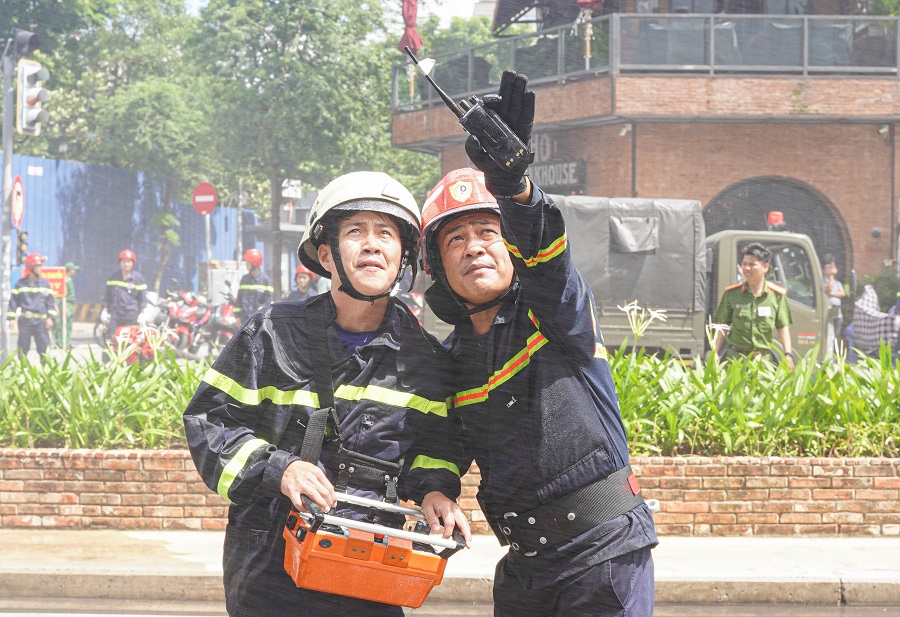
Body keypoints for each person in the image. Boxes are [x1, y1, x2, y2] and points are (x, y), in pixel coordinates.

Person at [419, 70, 657, 617]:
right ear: (437, 266)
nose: (474, 248)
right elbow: (443, 441)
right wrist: (435, 487)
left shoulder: (552, 312)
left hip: (603, 556)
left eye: (488, 232)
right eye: (456, 238)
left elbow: (547, 257)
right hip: (525, 572)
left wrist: (513, 189)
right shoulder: (452, 361)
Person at [183, 171, 470, 617]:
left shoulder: (427, 361)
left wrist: (435, 490)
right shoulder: (272, 334)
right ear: (325, 254)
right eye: (355, 231)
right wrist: (279, 468)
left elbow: (438, 447)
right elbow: (210, 422)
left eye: (386, 234)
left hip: (369, 564)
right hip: (269, 568)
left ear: (403, 256)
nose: (372, 245)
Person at [714, 242, 795, 368]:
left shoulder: (776, 296)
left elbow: (782, 327)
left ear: (765, 267)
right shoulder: (732, 294)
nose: (747, 268)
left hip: (762, 363)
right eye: (744, 264)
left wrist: (788, 354)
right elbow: (723, 326)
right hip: (736, 361)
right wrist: (715, 352)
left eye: (752, 264)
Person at [7, 253, 57, 358]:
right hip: (25, 322)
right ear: (31, 267)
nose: (41, 269)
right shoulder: (20, 284)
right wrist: (11, 319)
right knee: (22, 349)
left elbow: (50, 303)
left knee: (44, 349)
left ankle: (46, 368)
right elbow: (13, 302)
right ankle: (22, 367)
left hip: (41, 323)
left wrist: (50, 318)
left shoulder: (45, 284)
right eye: (39, 266)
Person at [102, 249, 147, 343]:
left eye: (128, 262)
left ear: (132, 263)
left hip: (131, 315)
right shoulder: (113, 278)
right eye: (124, 261)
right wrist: (104, 311)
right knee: (112, 340)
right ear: (120, 263)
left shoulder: (138, 279)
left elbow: (142, 298)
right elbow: (107, 296)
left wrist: (142, 313)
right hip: (116, 315)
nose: (126, 264)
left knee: (130, 341)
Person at [234, 248, 273, 322]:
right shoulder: (244, 279)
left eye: (247, 262)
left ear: (254, 264)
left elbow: (268, 301)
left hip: (259, 320)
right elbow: (239, 298)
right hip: (244, 320)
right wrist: (237, 316)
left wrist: (260, 313)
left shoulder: (266, 281)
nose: (246, 264)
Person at [821, 253, 846, 355]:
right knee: (829, 332)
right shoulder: (823, 280)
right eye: (828, 268)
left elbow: (843, 293)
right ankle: (829, 353)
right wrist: (831, 276)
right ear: (823, 270)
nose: (830, 269)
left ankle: (837, 352)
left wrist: (833, 294)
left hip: (837, 309)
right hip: (829, 310)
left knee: (837, 332)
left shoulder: (837, 282)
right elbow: (828, 289)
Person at [51, 262, 79, 349]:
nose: (75, 271)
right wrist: (65, 306)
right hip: (65, 303)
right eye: (74, 270)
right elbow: (64, 294)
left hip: (68, 303)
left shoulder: (69, 280)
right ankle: (61, 342)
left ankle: (67, 342)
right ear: (70, 270)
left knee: (68, 324)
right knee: (62, 324)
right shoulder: (64, 280)